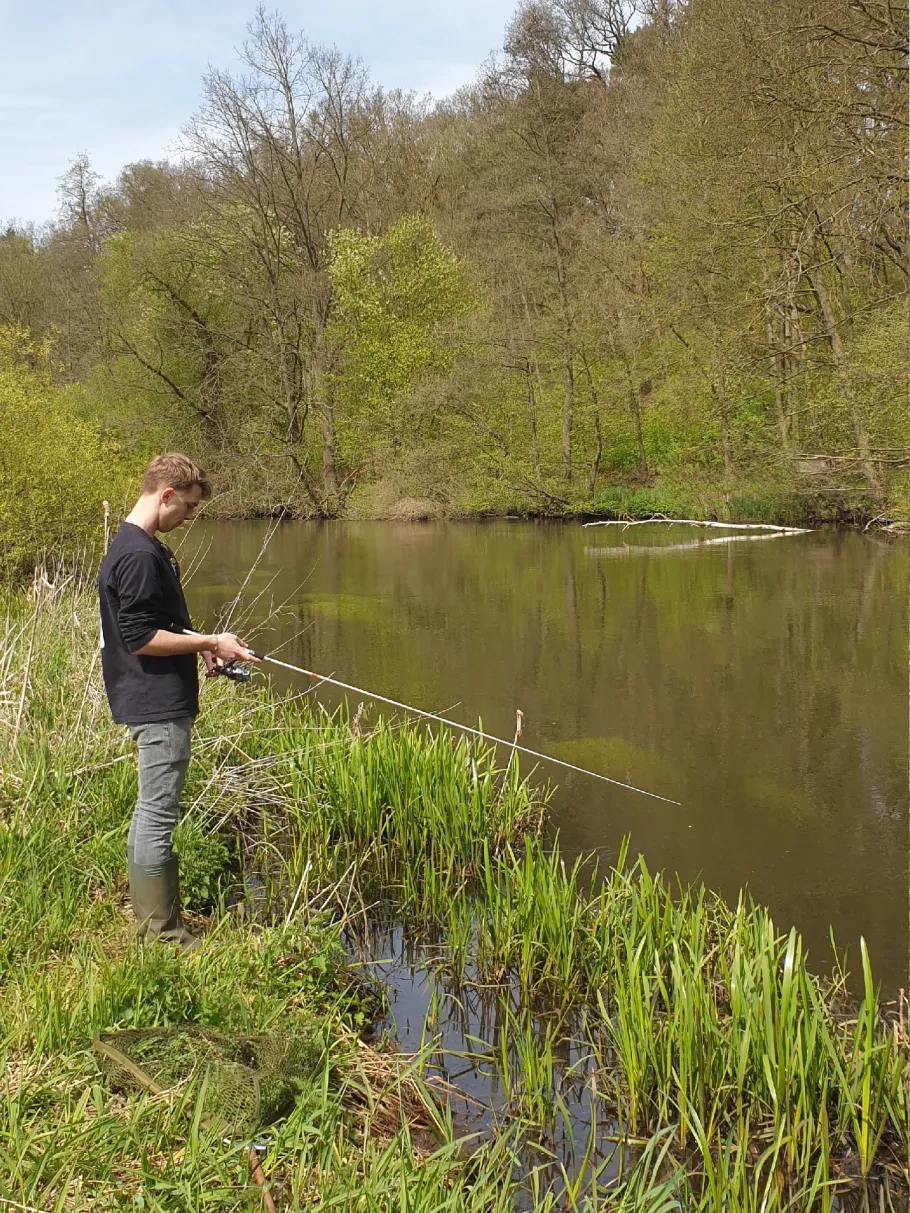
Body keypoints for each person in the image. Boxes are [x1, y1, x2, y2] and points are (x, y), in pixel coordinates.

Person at [97, 453, 259, 950]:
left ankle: (157, 925)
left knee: (152, 811)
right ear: (165, 494)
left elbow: (157, 624)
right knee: (157, 814)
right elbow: (141, 637)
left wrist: (199, 646)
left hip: (152, 696)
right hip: (156, 703)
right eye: (186, 507)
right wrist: (211, 642)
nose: (188, 517)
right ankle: (162, 936)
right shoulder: (140, 554)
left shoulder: (139, 546)